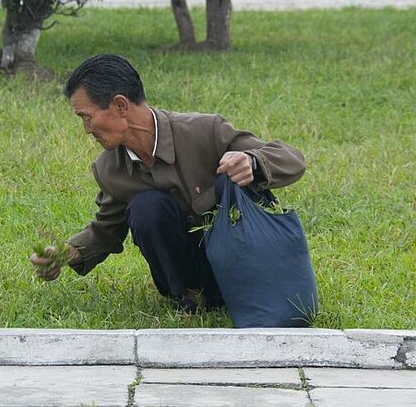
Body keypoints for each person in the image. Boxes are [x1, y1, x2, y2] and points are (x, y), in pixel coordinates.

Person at [31, 53, 306, 312]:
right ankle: (190, 295)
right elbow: (106, 230)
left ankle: (242, 289)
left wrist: (252, 161)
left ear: (119, 105)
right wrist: (67, 253)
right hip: (193, 276)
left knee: (228, 180)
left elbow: (290, 158)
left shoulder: (204, 130)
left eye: (87, 117)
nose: (87, 129)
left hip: (244, 265)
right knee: (146, 207)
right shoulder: (109, 168)